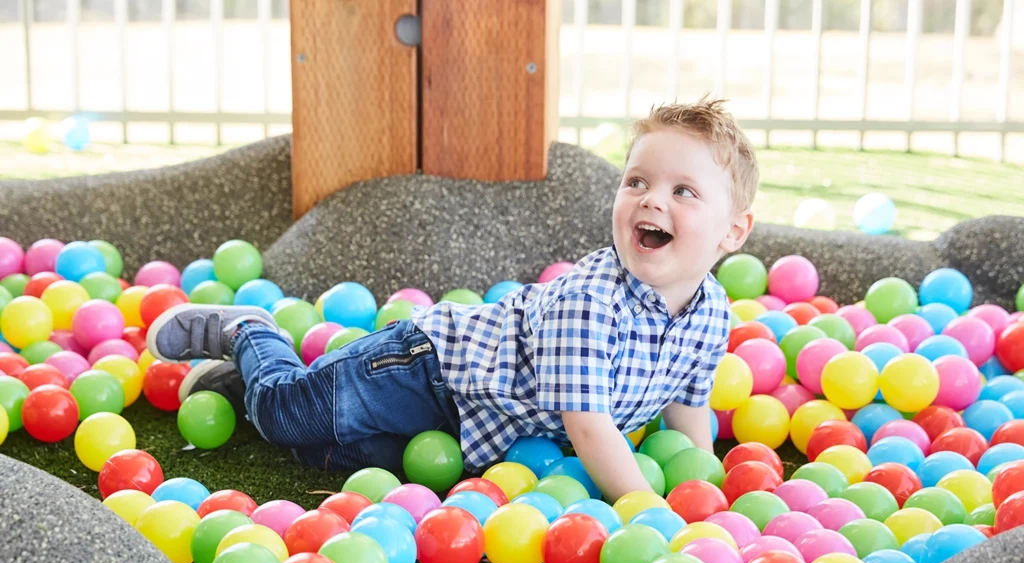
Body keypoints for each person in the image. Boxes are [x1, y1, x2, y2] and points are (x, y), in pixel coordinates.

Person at [146, 95, 757, 502]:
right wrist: (650, 512)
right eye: (637, 182)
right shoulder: (593, 303)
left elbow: (687, 405)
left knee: (336, 458)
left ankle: (238, 387)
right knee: (289, 416)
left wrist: (700, 482)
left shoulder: (710, 314)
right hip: (428, 371)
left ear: (733, 232)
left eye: (684, 191)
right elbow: (591, 429)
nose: (652, 200)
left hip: (474, 432)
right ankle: (253, 336)